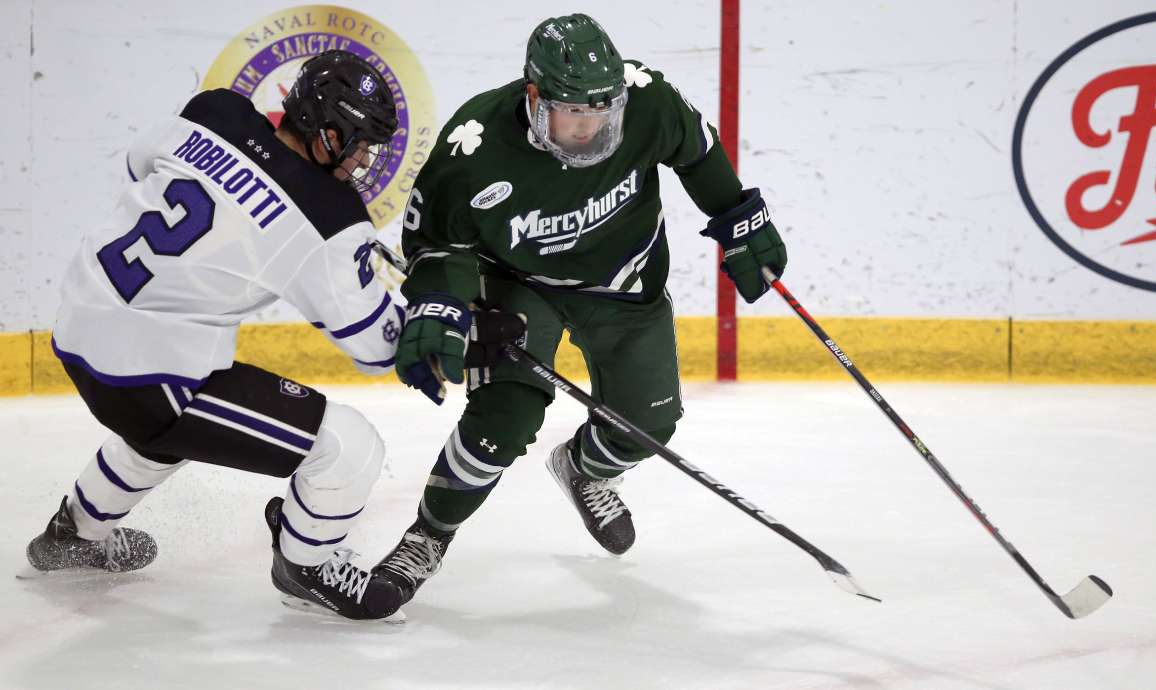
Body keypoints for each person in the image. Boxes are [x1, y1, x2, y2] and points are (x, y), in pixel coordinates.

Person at [373, 14, 788, 605]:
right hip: (520, 285)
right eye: (575, 115)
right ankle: (428, 536)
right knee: (503, 419)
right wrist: (442, 303)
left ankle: (585, 469)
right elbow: (439, 246)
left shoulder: (648, 100)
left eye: (602, 113)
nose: (592, 130)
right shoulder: (474, 145)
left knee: (649, 429)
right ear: (535, 97)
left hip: (626, 281)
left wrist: (740, 219)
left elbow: (695, 153)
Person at [25, 50, 410, 622]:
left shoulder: (215, 112)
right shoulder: (326, 213)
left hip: (79, 323)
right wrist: (431, 316)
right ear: (316, 121)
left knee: (165, 429)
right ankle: (305, 567)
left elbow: (138, 166)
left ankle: (72, 534)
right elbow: (378, 349)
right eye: (351, 139)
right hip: (148, 377)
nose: (360, 158)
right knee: (349, 447)